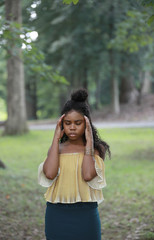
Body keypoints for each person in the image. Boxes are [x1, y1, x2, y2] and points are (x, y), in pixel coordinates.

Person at [38, 88, 110, 240]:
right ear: (61, 124)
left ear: (87, 124)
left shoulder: (97, 149)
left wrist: (89, 141)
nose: (72, 127)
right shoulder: (56, 150)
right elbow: (49, 174)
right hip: (57, 215)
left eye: (78, 123)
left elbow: (88, 175)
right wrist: (56, 138)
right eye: (67, 123)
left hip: (86, 214)